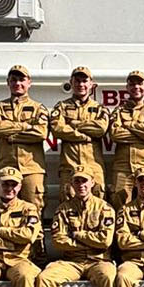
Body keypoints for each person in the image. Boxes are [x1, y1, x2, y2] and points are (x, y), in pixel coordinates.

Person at [30, 170, 118, 287]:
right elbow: (58, 241)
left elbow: (105, 241)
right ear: (72, 184)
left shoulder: (105, 208)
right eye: (77, 181)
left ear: (92, 183)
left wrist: (77, 235)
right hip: (72, 261)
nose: (81, 185)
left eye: (84, 181)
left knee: (109, 278)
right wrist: (86, 241)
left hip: (98, 260)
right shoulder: (63, 209)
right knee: (45, 277)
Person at [0, 65, 51, 205]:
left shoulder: (38, 108)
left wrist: (11, 135)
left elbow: (40, 133)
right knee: (4, 208)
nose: (17, 83)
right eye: (14, 79)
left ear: (29, 82)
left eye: (22, 79)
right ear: (8, 82)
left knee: (35, 208)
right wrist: (24, 126)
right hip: (6, 166)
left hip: (31, 168)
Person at [50, 66, 109, 202]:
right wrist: (83, 136)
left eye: (84, 81)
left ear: (91, 84)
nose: (81, 85)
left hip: (93, 166)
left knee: (97, 204)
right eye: (77, 81)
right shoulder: (61, 107)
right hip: (70, 166)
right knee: (68, 202)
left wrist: (74, 124)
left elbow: (100, 129)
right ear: (71, 83)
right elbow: (57, 129)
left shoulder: (99, 108)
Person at [108, 70, 144, 206]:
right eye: (132, 84)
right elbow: (115, 134)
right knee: (118, 203)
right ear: (127, 88)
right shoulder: (119, 111)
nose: (136, 87)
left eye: (140, 83)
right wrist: (142, 135)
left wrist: (129, 124)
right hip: (123, 168)